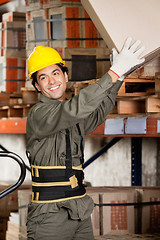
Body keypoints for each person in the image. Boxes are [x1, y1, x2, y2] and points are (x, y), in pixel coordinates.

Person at [26, 37, 145, 240]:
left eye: (55, 73)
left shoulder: (70, 113)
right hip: (49, 216)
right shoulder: (39, 114)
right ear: (37, 86)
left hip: (79, 209)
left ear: (65, 76)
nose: (52, 81)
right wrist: (112, 72)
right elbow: (75, 109)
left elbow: (95, 114)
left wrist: (119, 77)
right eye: (43, 78)